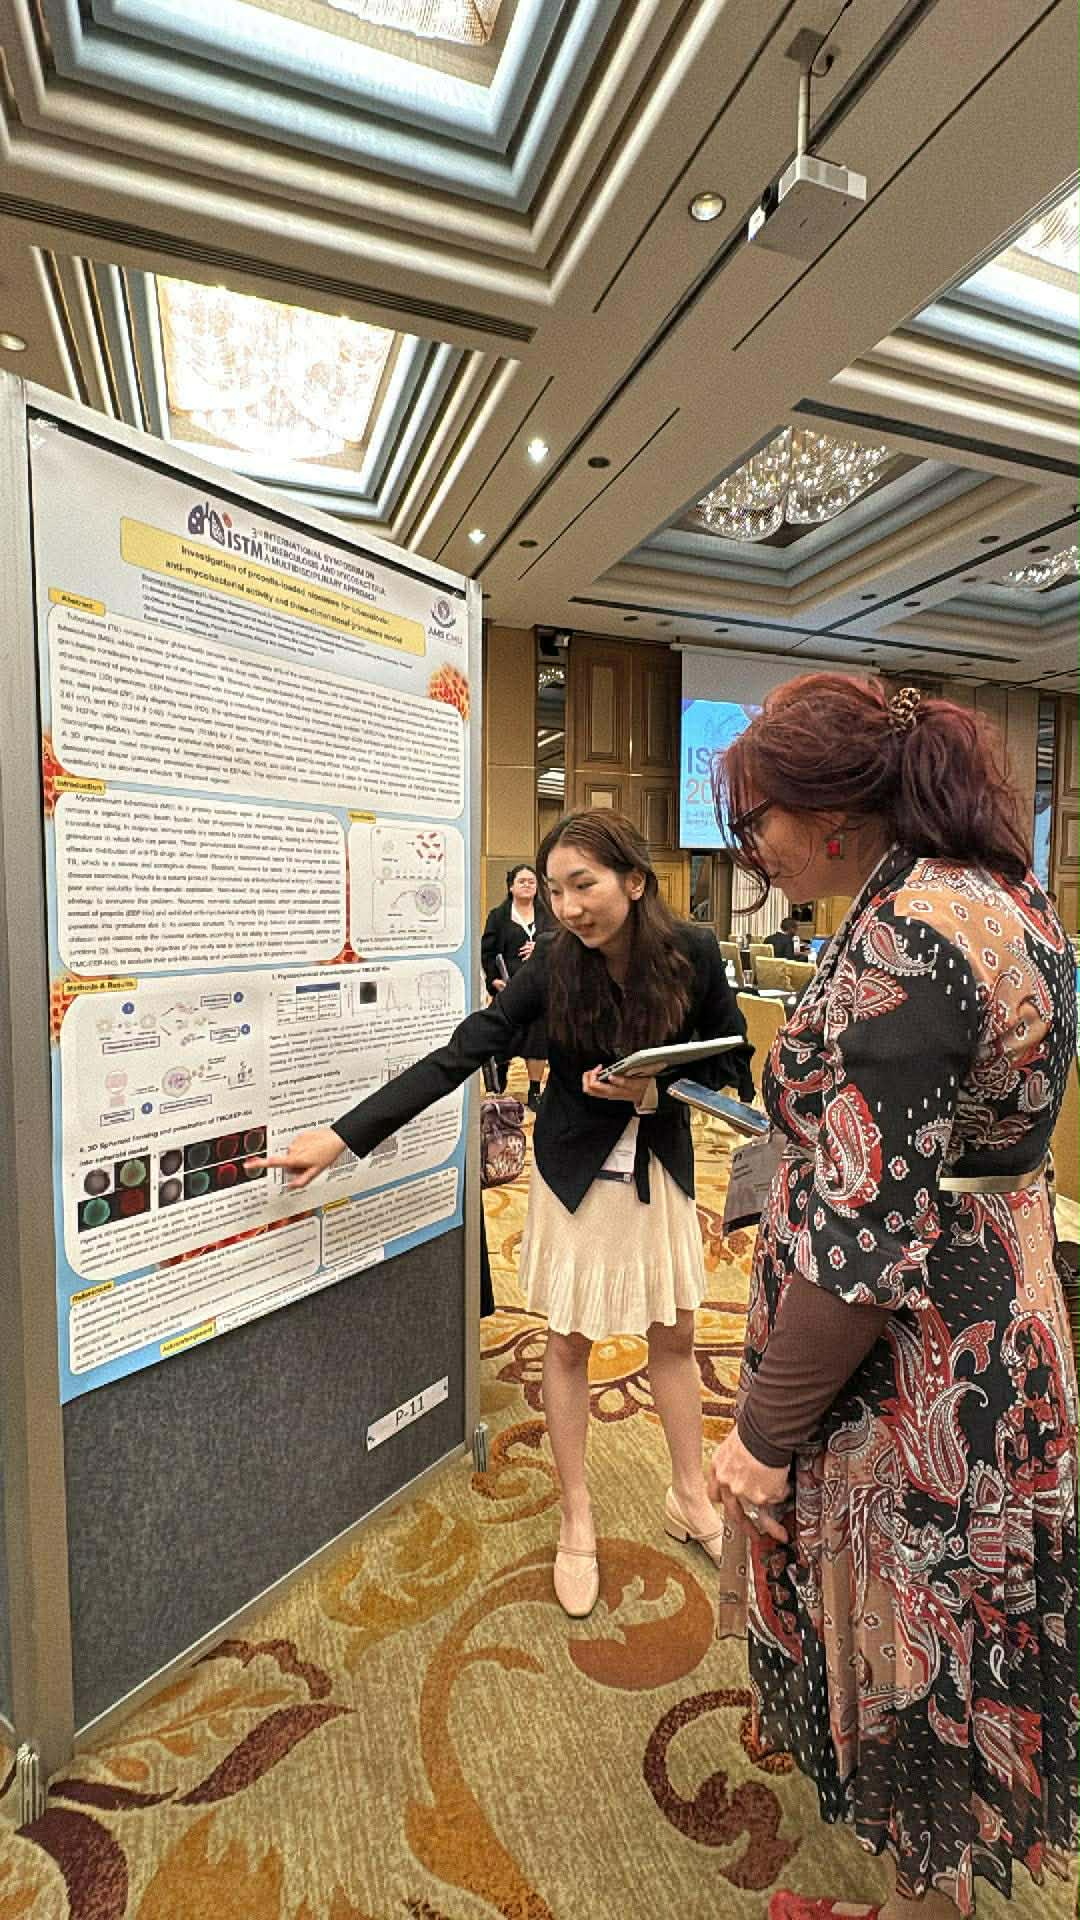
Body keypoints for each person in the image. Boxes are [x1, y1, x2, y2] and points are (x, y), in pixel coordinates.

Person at [706, 675, 1079, 1920]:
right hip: (999, 1318)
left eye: (758, 820)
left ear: (833, 814)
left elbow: (863, 1241)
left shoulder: (908, 937)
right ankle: (930, 1896)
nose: (753, 848)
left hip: (919, 1366)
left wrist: (762, 1439)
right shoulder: (1004, 892)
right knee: (961, 1636)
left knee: (917, 1645)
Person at [253, 810, 752, 1618]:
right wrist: (345, 1137)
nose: (568, 907)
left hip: (659, 1169)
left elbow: (733, 1061)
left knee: (676, 1334)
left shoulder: (690, 952)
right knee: (570, 1342)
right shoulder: (552, 962)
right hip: (576, 1173)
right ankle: (577, 1517)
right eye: (554, 890)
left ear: (634, 881)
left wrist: (654, 1088)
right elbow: (464, 1050)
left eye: (583, 885)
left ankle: (690, 1497)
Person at [480, 863, 553, 1108]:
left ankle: (535, 1090)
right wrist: (493, 980)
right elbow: (487, 952)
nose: (527, 885)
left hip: (539, 989)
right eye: (522, 881)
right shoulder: (498, 916)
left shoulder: (548, 914)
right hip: (508, 988)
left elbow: (562, 942)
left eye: (531, 881)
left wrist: (541, 947)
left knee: (538, 1042)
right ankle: (500, 1074)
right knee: (503, 1037)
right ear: (511, 886)